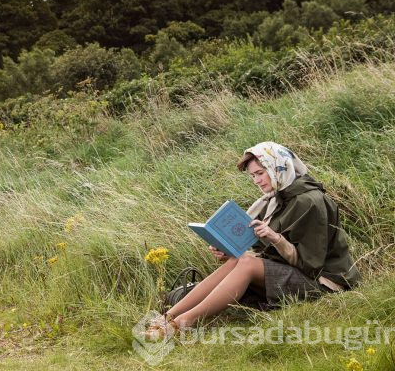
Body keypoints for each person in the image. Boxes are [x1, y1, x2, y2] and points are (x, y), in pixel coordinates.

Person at [145, 141, 361, 340]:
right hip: (297, 273)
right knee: (238, 260)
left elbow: (311, 265)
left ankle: (183, 323)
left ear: (278, 168)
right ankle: (168, 316)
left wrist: (275, 238)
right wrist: (228, 252)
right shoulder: (275, 199)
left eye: (260, 173)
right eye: (252, 176)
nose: (257, 180)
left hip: (324, 283)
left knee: (247, 262)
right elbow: (263, 253)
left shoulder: (309, 201)